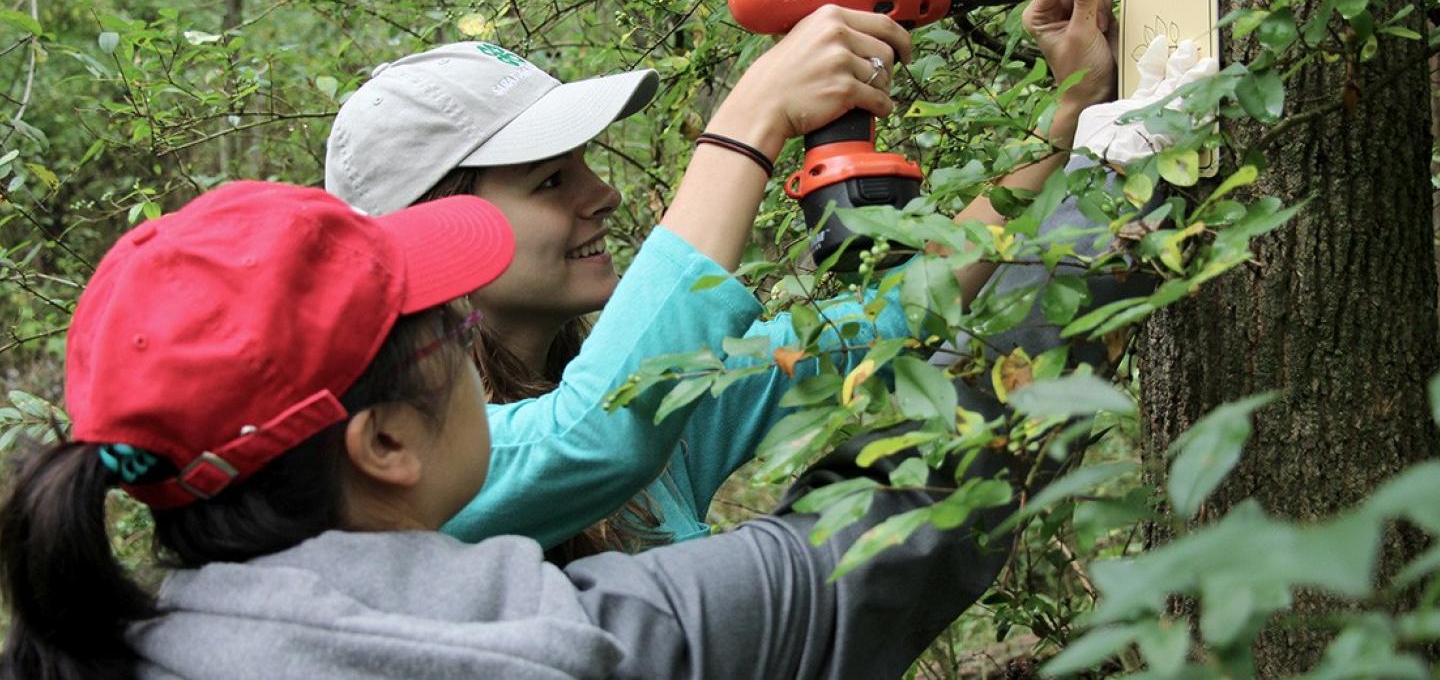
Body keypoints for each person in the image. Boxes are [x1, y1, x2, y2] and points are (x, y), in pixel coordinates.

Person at [0, 180, 1011, 679]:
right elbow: (907, 535)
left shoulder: (106, 647)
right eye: (454, 330)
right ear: (386, 444)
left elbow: (784, 360)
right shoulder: (576, 641)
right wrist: (1089, 211)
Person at [325, 0, 1120, 557]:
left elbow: (886, 321)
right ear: (432, 228)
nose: (601, 194)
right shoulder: (409, 472)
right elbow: (590, 436)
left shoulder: (661, 402)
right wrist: (755, 115)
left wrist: (1064, 117)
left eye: (589, 164)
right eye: (550, 179)